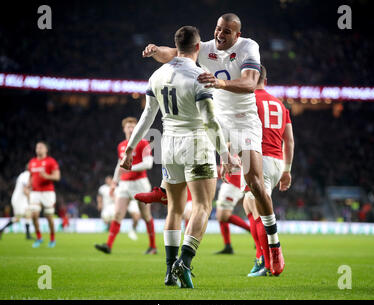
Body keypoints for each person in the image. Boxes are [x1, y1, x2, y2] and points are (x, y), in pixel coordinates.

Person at [140, 13, 285, 275]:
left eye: (227, 31)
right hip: (217, 119)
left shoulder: (248, 47)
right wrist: (154, 50)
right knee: (183, 145)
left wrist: (220, 82)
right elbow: (173, 53)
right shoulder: (204, 48)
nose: (220, 34)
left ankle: (274, 244)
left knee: (254, 181)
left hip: (243, 121)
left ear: (237, 35)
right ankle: (165, 189)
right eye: (218, 29)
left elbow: (251, 82)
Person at [120, 26, 239, 288]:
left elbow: (147, 116)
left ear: (176, 45)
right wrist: (225, 153)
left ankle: (167, 270)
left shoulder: (157, 74)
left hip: (168, 145)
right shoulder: (200, 77)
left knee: (173, 208)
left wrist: (130, 148)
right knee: (202, 207)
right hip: (196, 144)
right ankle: (183, 262)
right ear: (198, 48)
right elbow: (209, 121)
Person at [245, 65, 294, 276]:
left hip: (258, 160)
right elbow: (289, 140)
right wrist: (287, 170)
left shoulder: (249, 100)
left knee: (259, 211)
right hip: (276, 162)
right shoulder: (280, 105)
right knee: (249, 204)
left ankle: (268, 261)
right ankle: (261, 258)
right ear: (266, 80)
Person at [94, 117, 156, 254]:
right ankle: (108, 245)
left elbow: (148, 163)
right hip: (124, 184)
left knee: (146, 216)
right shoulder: (121, 145)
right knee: (117, 214)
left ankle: (153, 246)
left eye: (133, 126)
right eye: (128, 126)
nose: (131, 128)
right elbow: (119, 165)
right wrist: (114, 182)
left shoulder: (144, 143)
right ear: (124, 129)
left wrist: (130, 168)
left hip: (140, 184)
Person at [28, 142, 61, 248]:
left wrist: (46, 176)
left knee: (49, 217)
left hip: (48, 192)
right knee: (34, 215)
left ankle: (52, 239)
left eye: (41, 147)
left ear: (46, 149)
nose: (38, 149)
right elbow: (31, 176)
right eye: (37, 147)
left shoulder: (51, 161)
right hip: (35, 192)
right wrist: (28, 186)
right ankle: (39, 238)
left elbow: (57, 177)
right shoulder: (32, 162)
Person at [215, 165, 250, 254]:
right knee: (220, 216)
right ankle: (227, 246)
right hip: (229, 183)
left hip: (233, 185)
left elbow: (235, 167)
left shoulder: (236, 152)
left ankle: (252, 230)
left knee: (223, 216)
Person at [0, 167, 32, 240]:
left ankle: (28, 235)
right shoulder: (26, 175)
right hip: (19, 200)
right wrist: (31, 200)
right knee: (22, 216)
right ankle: (28, 235)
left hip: (21, 200)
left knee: (24, 215)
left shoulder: (24, 175)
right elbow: (25, 190)